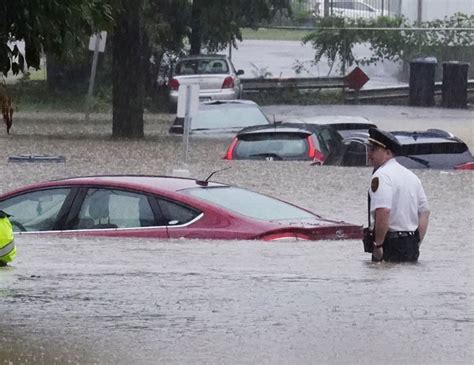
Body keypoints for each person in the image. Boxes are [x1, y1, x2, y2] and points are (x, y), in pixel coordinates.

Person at [366, 128, 430, 262]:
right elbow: (424, 212)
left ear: (388, 153)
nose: (369, 153)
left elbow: (383, 211)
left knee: (383, 281)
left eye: (374, 149)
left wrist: (378, 245)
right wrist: (416, 241)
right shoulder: (411, 176)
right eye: (369, 148)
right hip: (410, 244)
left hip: (389, 244)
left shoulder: (381, 175)